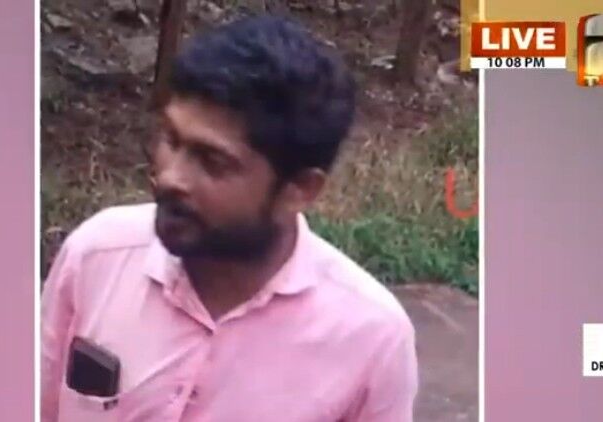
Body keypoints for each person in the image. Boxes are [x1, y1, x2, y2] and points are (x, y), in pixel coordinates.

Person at [41, 15, 418, 422]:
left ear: (300, 189)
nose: (170, 178)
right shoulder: (97, 257)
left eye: (213, 162)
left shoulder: (370, 340)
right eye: (172, 140)